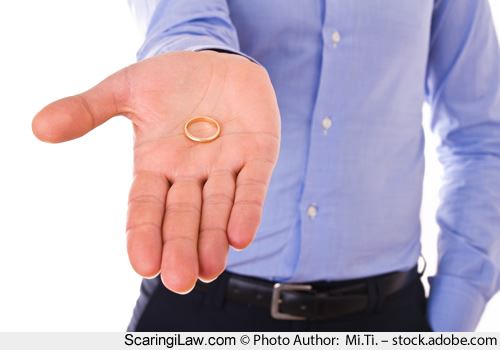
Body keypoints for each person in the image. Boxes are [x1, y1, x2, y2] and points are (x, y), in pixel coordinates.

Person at [32, 0, 500, 332]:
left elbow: (479, 135)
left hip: (390, 316)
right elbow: (182, 15)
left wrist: (451, 319)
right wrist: (200, 53)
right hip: (200, 307)